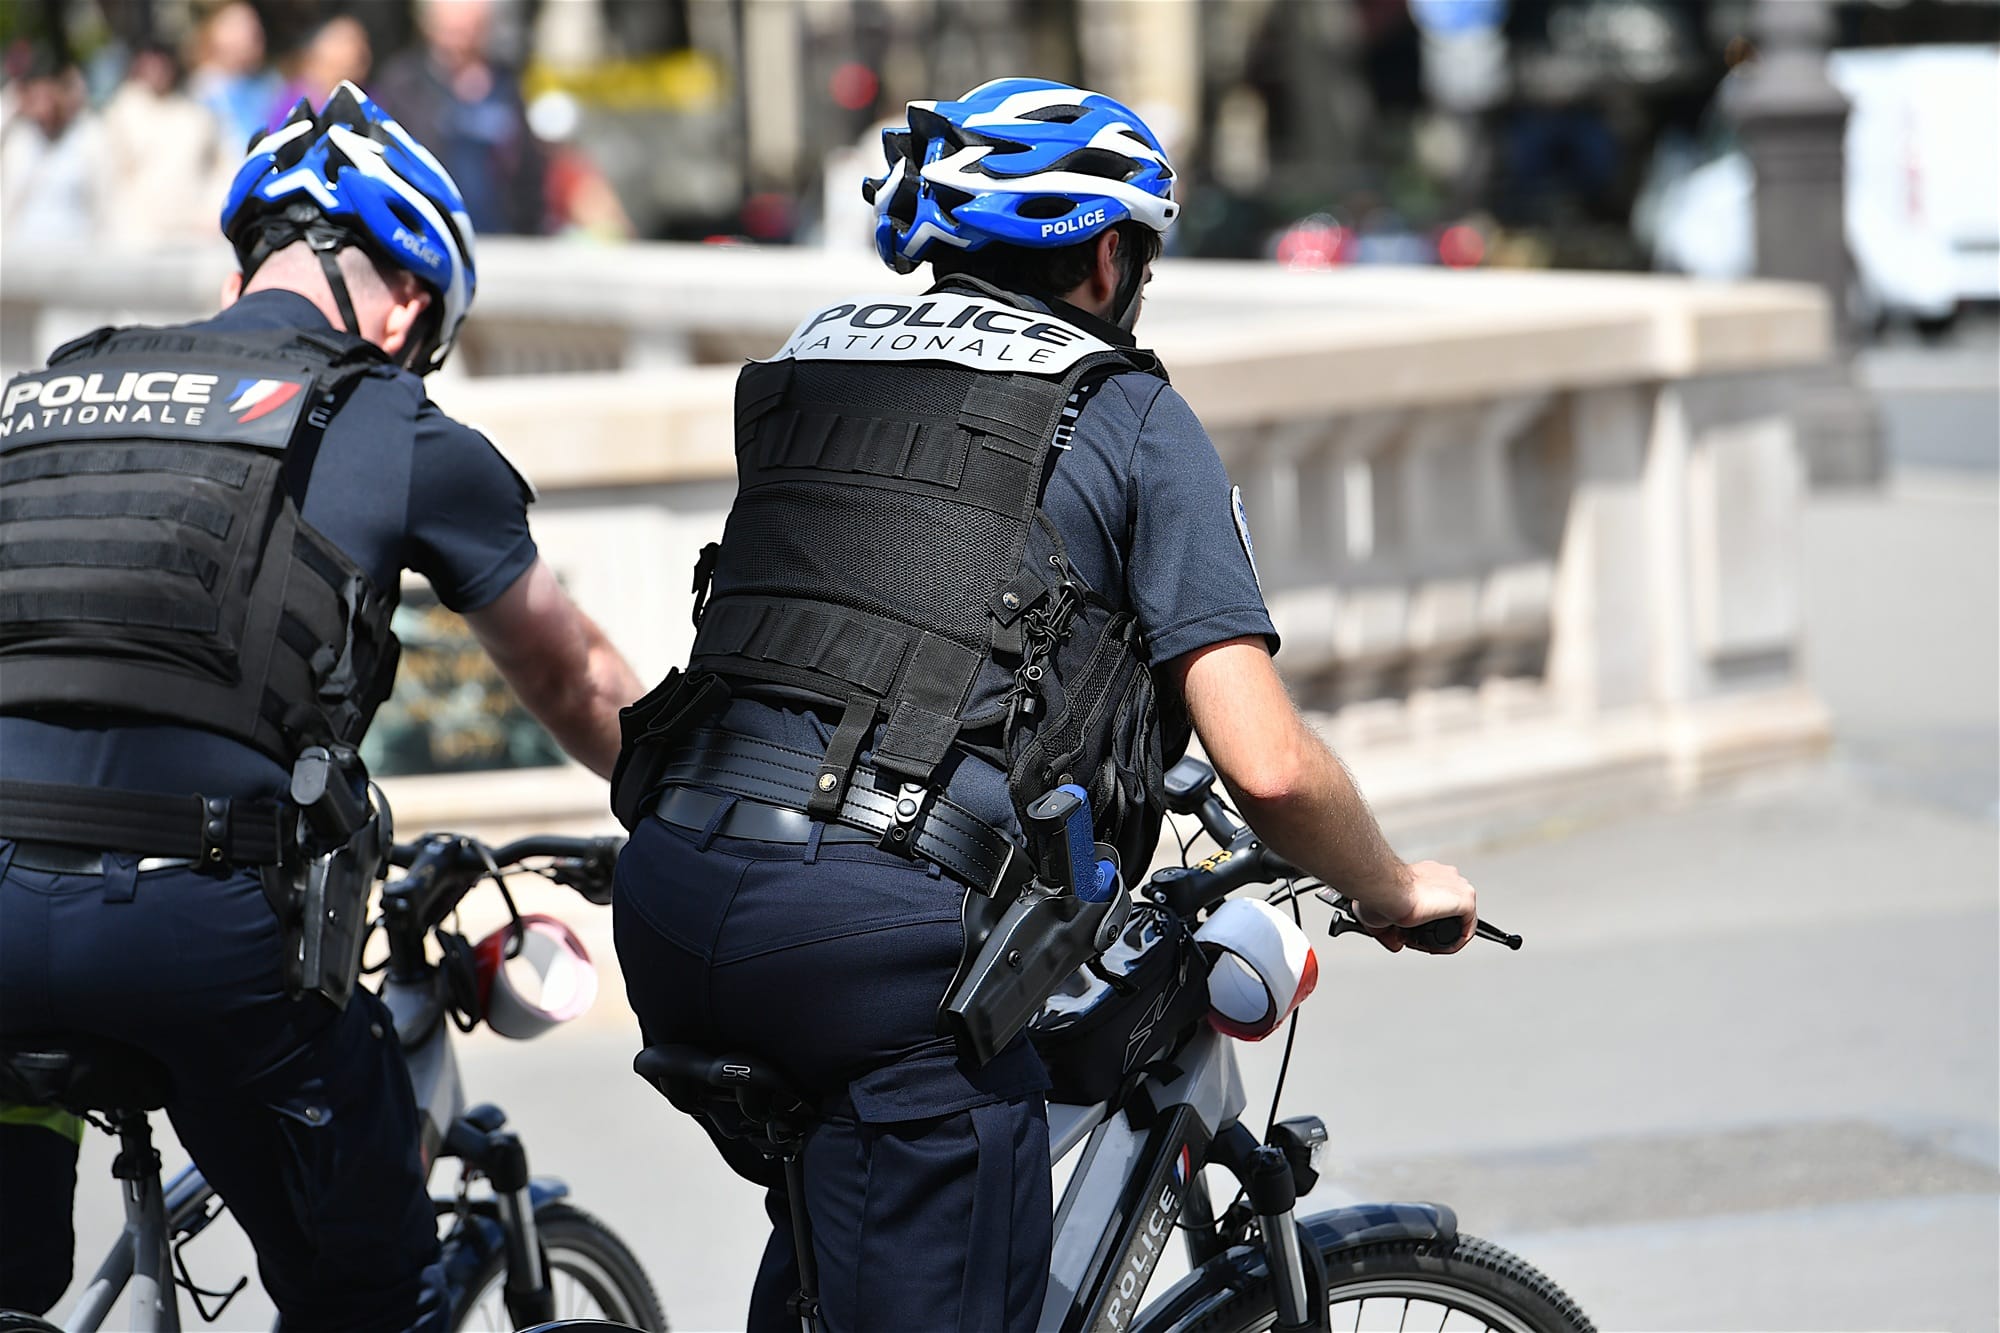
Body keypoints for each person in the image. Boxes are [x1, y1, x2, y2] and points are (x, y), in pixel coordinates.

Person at [610, 77, 1480, 1333]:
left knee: (847, 1246)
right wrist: (1391, 886)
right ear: (1109, 256)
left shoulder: (812, 360)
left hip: (675, 889)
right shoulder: (1123, 410)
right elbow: (1267, 765)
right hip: (877, 941)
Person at [0, 83, 640, 1329]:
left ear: (245, 268)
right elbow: (574, 678)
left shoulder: (49, 394)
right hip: (193, 935)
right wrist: (689, 807)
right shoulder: (387, 419)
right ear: (402, 301)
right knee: (368, 1287)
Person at [373, 0, 546, 236]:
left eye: (469, 31)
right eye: (451, 31)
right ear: (430, 27)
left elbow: (529, 167)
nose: (459, 41)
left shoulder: (506, 85)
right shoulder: (404, 83)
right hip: (429, 234)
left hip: (503, 236)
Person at [98, 39, 235, 249]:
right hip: (137, 238)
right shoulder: (120, 114)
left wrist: (213, 213)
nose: (157, 70)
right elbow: (107, 180)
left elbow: (222, 170)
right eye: (150, 62)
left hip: (192, 235)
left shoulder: (196, 116)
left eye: (162, 62)